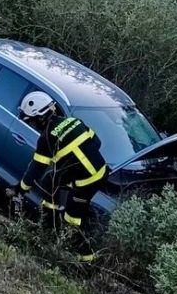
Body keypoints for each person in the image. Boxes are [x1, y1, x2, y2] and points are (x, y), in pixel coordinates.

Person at [14, 91, 110, 263]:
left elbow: (36, 168)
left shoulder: (47, 138)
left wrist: (20, 188)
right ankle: (50, 224)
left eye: (32, 121)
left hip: (87, 182)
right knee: (49, 181)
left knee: (71, 221)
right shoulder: (74, 121)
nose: (33, 125)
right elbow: (97, 142)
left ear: (40, 117)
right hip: (102, 170)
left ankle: (87, 260)